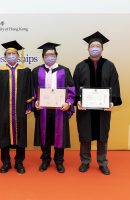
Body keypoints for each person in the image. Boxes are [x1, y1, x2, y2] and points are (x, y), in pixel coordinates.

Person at [73, 31, 122, 175]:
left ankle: (102, 162)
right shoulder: (80, 66)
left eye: (98, 46)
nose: (95, 48)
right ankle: (85, 161)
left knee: (102, 135)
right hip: (85, 108)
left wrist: (112, 101)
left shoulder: (110, 65)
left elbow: (115, 84)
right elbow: (74, 86)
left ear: (102, 49)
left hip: (103, 108)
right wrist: (77, 101)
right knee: (85, 134)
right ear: (88, 48)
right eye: (92, 46)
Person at [32, 42, 75, 173]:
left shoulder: (64, 70)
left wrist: (68, 102)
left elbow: (71, 89)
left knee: (59, 135)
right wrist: (35, 102)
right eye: (47, 55)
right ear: (43, 57)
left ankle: (59, 161)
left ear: (56, 55)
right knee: (44, 134)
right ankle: (45, 159)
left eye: (52, 54)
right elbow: (32, 90)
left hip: (59, 110)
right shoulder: (36, 71)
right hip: (43, 110)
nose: (49, 57)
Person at [0, 40, 33, 174]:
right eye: (8, 54)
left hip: (20, 110)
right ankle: (6, 162)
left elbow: (29, 89)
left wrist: (29, 105)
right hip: (4, 110)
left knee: (21, 136)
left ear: (18, 56)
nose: (11, 56)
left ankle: (19, 162)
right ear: (5, 56)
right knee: (4, 135)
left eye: (13, 53)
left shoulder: (25, 71)